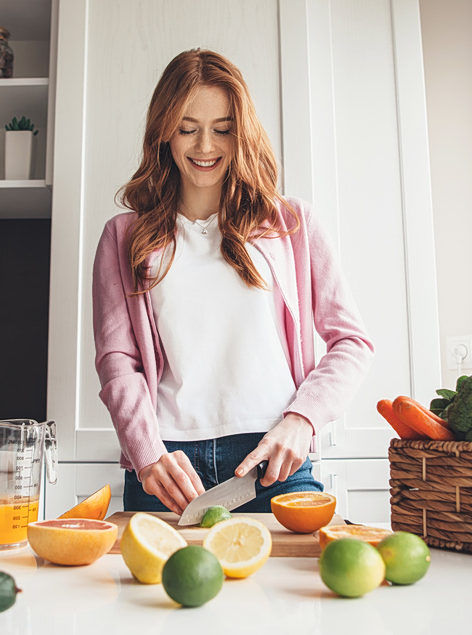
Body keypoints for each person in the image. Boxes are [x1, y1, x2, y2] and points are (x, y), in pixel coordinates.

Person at [92, 49, 373, 516]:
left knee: (292, 590)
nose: (205, 146)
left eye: (222, 129)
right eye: (187, 128)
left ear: (241, 133)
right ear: (163, 131)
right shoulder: (123, 236)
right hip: (167, 468)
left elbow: (352, 341)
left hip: (275, 458)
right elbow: (117, 362)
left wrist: (302, 420)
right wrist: (145, 456)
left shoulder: (292, 223)